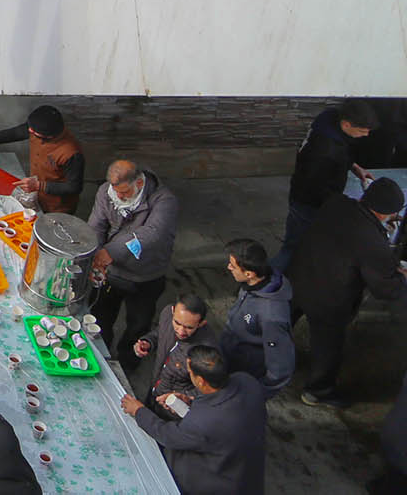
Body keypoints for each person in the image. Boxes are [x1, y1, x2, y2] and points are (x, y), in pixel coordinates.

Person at [286, 175, 407, 405]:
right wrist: (399, 277)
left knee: (282, 322)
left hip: (299, 277)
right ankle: (317, 391)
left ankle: (261, 359)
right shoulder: (372, 240)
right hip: (329, 299)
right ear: (386, 213)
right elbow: (384, 287)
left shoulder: (336, 204)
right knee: (327, 346)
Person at [121, 345, 268, 495]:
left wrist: (138, 411)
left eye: (190, 372)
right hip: (246, 468)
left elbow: (168, 436)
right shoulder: (247, 381)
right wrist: (191, 401)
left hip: (218, 483)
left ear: (201, 381)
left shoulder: (203, 422)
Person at [87, 158, 180, 360]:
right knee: (101, 316)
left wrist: (109, 252)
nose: (119, 196)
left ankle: (128, 360)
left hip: (145, 276)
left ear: (139, 183)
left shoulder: (164, 201)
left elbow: (153, 233)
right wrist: (95, 255)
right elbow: (97, 225)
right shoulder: (106, 192)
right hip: (112, 273)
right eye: (116, 191)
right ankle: (101, 355)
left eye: (125, 193)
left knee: (138, 324)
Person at [276, 101, 381, 269]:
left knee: (299, 242)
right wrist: (345, 204)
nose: (366, 135)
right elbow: (314, 187)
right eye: (362, 130)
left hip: (310, 196)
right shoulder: (324, 150)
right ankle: (271, 282)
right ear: (346, 124)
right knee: (294, 246)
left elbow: (341, 153)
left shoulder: (330, 121)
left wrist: (354, 167)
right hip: (308, 203)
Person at [0, 105, 85, 214]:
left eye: (33, 131)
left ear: (49, 136)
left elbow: (74, 187)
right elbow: (16, 132)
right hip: (36, 195)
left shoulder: (71, 153)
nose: (29, 131)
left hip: (57, 207)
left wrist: (39, 185)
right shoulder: (37, 129)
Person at [217, 238, 294, 395]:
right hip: (230, 356)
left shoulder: (272, 316)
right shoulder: (251, 285)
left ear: (249, 273)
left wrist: (256, 394)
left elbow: (280, 366)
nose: (228, 267)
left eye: (233, 265)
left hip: (244, 373)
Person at [133, 294, 214, 410]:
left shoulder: (207, 351)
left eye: (189, 328)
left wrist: (185, 398)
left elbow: (208, 389)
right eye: (177, 323)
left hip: (172, 409)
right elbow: (160, 333)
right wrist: (148, 342)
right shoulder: (166, 314)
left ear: (201, 324)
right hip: (154, 391)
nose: (181, 331)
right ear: (172, 311)